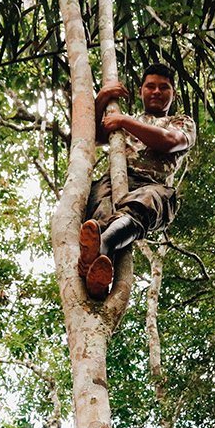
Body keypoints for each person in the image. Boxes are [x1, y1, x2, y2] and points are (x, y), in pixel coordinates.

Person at [78, 63, 197, 298]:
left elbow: (170, 141)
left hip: (152, 186)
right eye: (150, 86)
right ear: (141, 90)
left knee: (149, 200)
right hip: (113, 181)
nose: (156, 91)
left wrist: (123, 121)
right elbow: (90, 136)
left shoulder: (181, 122)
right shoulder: (126, 118)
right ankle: (96, 278)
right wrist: (103, 98)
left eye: (164, 88)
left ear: (173, 94)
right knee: (99, 210)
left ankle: (105, 245)